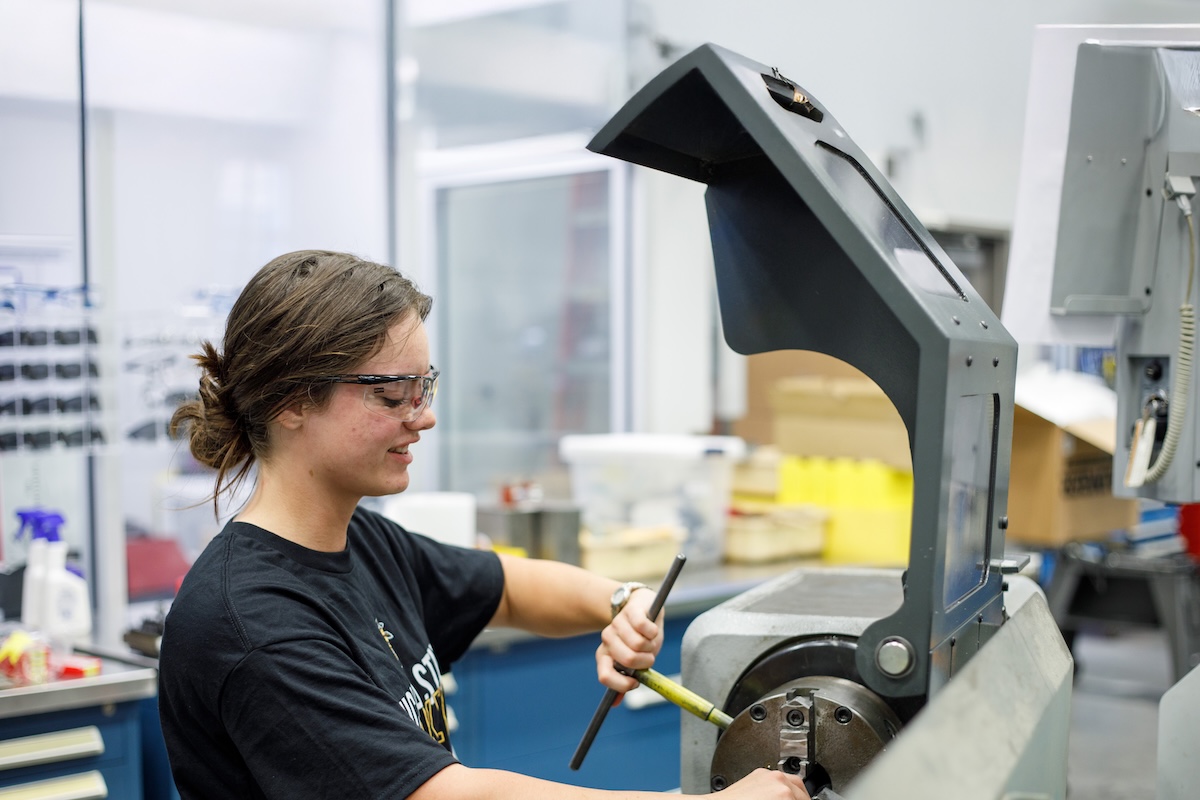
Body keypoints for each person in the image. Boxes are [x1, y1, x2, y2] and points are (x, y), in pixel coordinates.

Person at [158, 249, 809, 800]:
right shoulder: (251, 623)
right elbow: (444, 795)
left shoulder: (362, 541)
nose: (424, 416)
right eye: (392, 394)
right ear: (291, 401)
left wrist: (621, 603)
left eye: (425, 387)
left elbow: (507, 588)